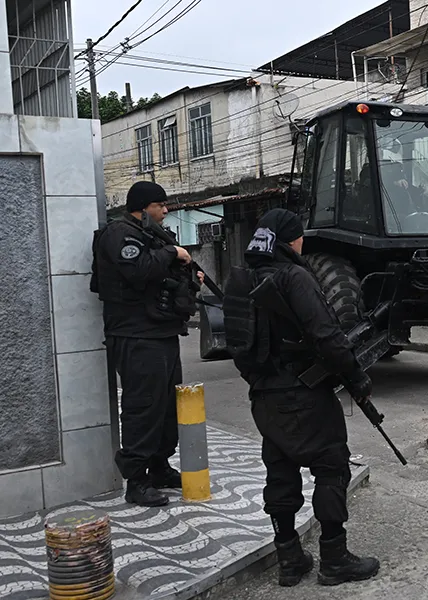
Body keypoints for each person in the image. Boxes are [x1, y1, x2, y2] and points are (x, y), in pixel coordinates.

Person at [221, 208, 379, 587]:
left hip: (265, 398)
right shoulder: (295, 277)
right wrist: (356, 376)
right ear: (290, 241)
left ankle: (289, 558)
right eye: (300, 237)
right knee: (331, 467)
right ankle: (334, 558)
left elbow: (235, 344)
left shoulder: (240, 281)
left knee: (280, 472)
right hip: (306, 395)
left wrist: (263, 380)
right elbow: (328, 336)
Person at [90, 181, 203, 507]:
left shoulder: (151, 235)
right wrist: (171, 253)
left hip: (161, 333)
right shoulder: (119, 235)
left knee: (168, 406)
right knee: (144, 407)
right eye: (161, 205)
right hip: (135, 336)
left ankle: (159, 467)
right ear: (143, 206)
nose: (166, 210)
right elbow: (138, 271)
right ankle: (136, 480)